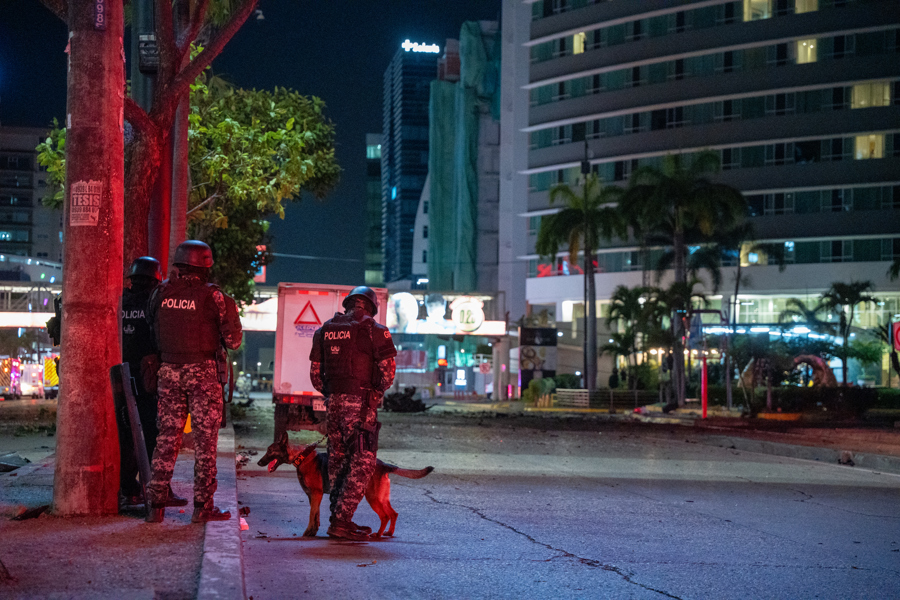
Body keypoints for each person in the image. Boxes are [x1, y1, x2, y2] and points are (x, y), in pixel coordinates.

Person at [144, 241, 242, 524]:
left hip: (168, 371)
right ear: (206, 265)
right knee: (205, 443)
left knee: (166, 439)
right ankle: (202, 509)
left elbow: (153, 329)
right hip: (202, 374)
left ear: (179, 264)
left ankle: (155, 508)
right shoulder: (215, 297)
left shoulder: (160, 292)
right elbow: (234, 341)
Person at [309, 286, 397, 540]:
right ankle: (341, 520)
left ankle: (337, 519)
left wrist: (333, 394)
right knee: (363, 462)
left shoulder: (325, 329)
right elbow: (388, 375)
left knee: (338, 461)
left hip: (333, 404)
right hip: (360, 405)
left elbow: (316, 376)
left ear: (348, 304)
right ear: (370, 307)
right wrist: (373, 393)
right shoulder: (375, 330)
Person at [117, 257, 188, 511]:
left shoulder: (120, 301)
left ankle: (127, 489)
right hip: (149, 380)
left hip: (119, 378)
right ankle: (158, 489)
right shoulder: (155, 301)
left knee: (123, 435)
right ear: (156, 278)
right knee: (153, 435)